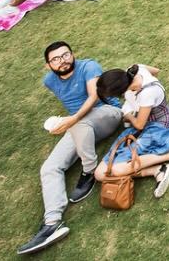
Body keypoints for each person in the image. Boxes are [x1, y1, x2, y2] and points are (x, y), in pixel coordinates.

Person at [17, 42, 124, 255]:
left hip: (108, 114)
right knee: (49, 168)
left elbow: (94, 97)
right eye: (56, 59)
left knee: (77, 124)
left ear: (72, 54)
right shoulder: (49, 81)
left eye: (65, 55)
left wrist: (71, 120)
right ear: (48, 65)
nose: (62, 60)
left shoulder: (88, 66)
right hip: (78, 127)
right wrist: (64, 123)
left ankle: (89, 170)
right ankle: (52, 223)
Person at [93, 65, 169, 199]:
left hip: (159, 126)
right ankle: (157, 169)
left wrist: (128, 115)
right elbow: (156, 71)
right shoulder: (133, 70)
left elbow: (139, 124)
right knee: (100, 174)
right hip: (144, 125)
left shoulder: (147, 93)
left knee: (117, 169)